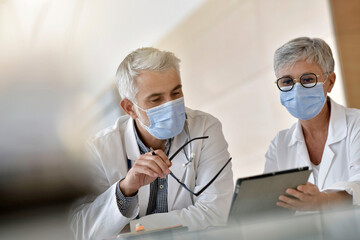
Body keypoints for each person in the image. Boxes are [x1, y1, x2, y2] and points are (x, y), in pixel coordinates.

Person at [70, 47, 234, 239]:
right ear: (130, 108)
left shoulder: (205, 129)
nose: (170, 105)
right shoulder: (99, 149)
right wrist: (125, 190)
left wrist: (132, 230)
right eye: (156, 99)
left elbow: (214, 213)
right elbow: (81, 230)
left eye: (176, 93)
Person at [265, 37, 360, 211]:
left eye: (307, 79)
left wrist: (324, 201)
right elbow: (272, 207)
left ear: (329, 82)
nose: (297, 90)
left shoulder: (356, 125)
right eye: (287, 82)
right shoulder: (279, 145)